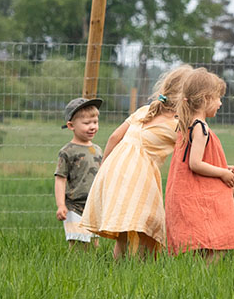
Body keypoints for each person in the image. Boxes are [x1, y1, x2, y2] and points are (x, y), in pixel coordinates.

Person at [81, 65, 191, 259]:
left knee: (126, 226)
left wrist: (103, 170)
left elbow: (114, 137)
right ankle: (140, 266)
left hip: (114, 167)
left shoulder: (145, 110)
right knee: (144, 222)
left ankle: (121, 266)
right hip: (139, 176)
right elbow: (192, 155)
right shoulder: (179, 125)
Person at [164, 67, 234, 263]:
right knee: (216, 242)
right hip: (196, 194)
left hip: (185, 191)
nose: (220, 103)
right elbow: (195, 163)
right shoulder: (200, 127)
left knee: (203, 243)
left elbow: (199, 159)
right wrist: (222, 173)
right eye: (218, 98)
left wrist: (223, 167)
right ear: (205, 99)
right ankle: (203, 275)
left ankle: (196, 274)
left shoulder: (187, 124)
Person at [54, 97, 104, 250]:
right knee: (77, 241)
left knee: (94, 243)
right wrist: (61, 205)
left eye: (95, 122)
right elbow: (60, 179)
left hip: (93, 204)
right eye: (87, 123)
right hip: (74, 205)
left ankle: (93, 264)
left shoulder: (97, 150)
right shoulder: (67, 151)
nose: (92, 127)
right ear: (71, 125)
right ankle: (74, 263)